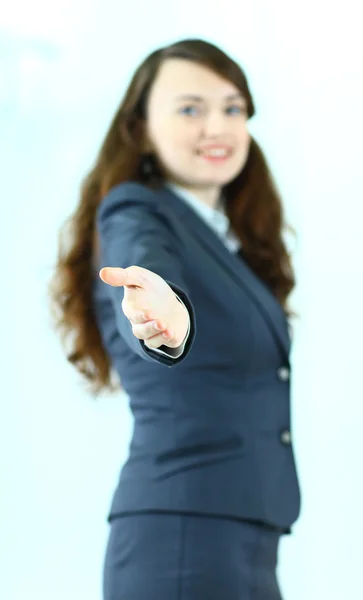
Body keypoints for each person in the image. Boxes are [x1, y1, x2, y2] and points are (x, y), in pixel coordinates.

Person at [49, 38, 301, 600]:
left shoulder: (225, 240)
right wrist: (165, 313)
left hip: (243, 540)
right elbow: (142, 261)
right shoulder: (136, 208)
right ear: (140, 128)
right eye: (191, 108)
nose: (218, 126)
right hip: (182, 544)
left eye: (233, 108)